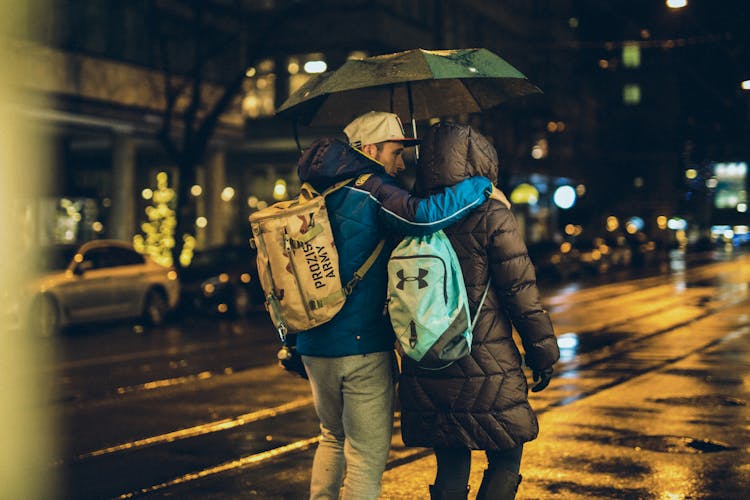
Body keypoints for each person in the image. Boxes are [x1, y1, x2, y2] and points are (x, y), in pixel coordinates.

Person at [295, 111, 508, 500]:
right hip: (360, 345)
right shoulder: (371, 189)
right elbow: (423, 218)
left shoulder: (314, 193)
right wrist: (479, 186)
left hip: (312, 345)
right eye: (395, 151)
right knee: (364, 457)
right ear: (370, 149)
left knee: (331, 437)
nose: (401, 162)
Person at [399, 121, 560, 500]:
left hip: (428, 360)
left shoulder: (409, 216)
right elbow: (520, 293)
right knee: (506, 456)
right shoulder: (492, 214)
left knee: (451, 463)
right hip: (488, 360)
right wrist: (543, 353)